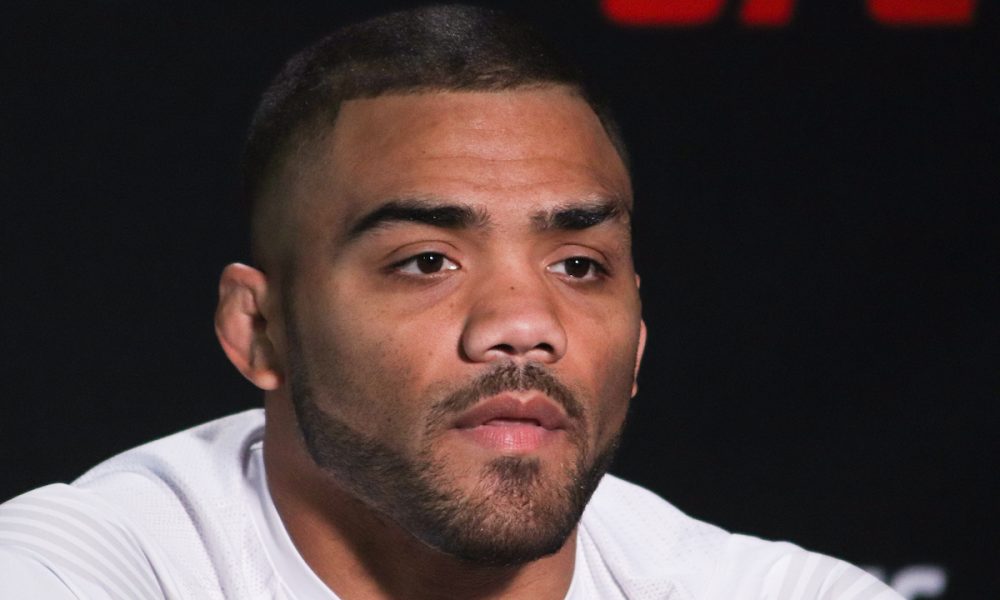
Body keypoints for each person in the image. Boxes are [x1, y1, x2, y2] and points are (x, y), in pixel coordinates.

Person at [0, 6, 902, 599]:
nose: (523, 325)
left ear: (637, 345)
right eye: (427, 261)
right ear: (259, 329)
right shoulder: (76, 570)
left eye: (578, 265)